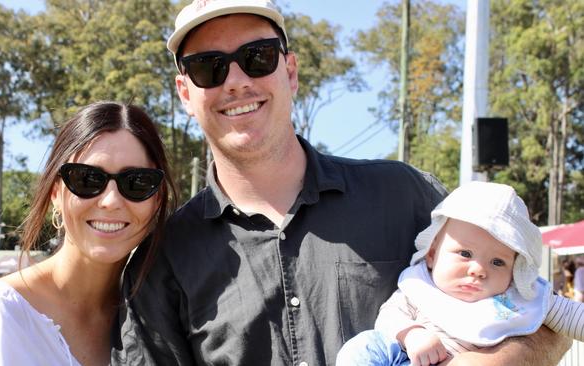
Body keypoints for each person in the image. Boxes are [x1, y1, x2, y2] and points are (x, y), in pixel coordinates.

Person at [111, 1, 570, 364]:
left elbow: (546, 319)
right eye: (208, 67)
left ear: (289, 71)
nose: (235, 81)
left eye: (257, 58)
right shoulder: (164, 258)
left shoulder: (405, 195)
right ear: (185, 92)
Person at [0, 101, 176, 365]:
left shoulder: (163, 324)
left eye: (136, 183)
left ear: (157, 199)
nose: (111, 201)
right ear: (55, 193)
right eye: (87, 179)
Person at [336, 182, 584, 366]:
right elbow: (388, 317)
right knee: (363, 346)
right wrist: (412, 335)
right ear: (432, 254)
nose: (478, 269)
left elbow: (572, 316)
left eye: (497, 262)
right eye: (465, 254)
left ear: (516, 269)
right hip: (404, 356)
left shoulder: (518, 296)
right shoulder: (419, 286)